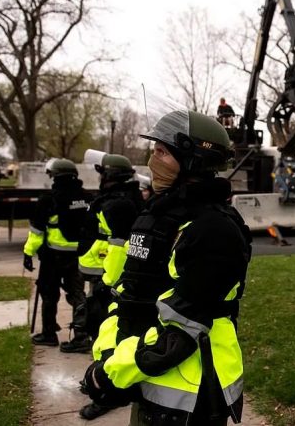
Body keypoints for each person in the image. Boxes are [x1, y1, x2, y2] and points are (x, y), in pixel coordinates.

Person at [81, 109, 252, 425]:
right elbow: (130, 298)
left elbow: (179, 334)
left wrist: (111, 373)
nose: (152, 160)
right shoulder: (156, 217)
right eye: (153, 151)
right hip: (148, 380)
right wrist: (107, 356)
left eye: (162, 152)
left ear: (193, 160)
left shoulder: (214, 229)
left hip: (192, 393)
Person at [60, 152, 143, 355]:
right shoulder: (118, 198)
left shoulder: (118, 204)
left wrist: (109, 281)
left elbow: (119, 244)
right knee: (94, 309)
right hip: (101, 267)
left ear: (111, 175)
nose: (100, 178)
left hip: (105, 270)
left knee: (101, 314)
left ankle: (103, 357)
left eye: (103, 174)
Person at [23, 158, 92, 346]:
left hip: (52, 258)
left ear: (55, 176)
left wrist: (28, 253)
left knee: (49, 293)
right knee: (78, 294)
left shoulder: (48, 199)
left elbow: (37, 232)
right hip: (78, 257)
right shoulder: (87, 197)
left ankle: (49, 334)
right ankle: (81, 335)